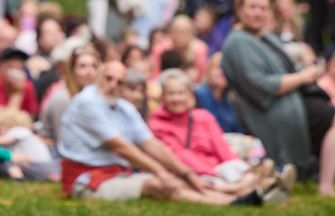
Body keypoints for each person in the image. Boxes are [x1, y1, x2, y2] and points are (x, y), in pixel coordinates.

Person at [221, 0, 335, 195]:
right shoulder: (237, 42)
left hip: (296, 100)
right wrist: (303, 77)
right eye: (252, 7)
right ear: (240, 9)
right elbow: (261, 86)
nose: (258, 13)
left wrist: (307, 71)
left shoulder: (264, 36)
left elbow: (285, 68)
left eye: (263, 8)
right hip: (278, 109)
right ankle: (325, 186)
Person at [57, 60, 235, 204]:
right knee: (160, 185)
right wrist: (161, 172)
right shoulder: (87, 102)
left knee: (173, 180)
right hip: (86, 179)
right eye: (108, 78)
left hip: (116, 172)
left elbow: (150, 143)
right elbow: (122, 147)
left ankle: (232, 197)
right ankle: (226, 202)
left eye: (119, 82)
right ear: (98, 78)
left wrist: (186, 173)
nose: (113, 85)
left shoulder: (123, 107)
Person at [150, 69, 293, 200]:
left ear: (189, 95)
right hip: (192, 172)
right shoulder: (157, 125)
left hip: (218, 168)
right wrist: (213, 173)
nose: (176, 99)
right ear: (163, 97)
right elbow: (179, 155)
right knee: (223, 184)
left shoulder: (203, 116)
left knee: (242, 173)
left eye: (181, 93)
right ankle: (264, 187)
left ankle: (260, 185)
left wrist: (239, 168)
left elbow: (221, 147)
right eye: (171, 94)